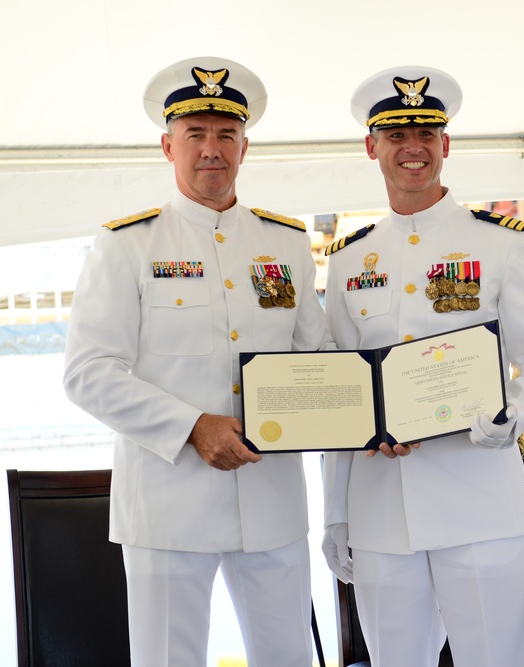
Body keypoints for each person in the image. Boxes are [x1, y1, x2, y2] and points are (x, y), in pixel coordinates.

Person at [63, 56, 330, 667]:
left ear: (244, 146)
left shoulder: (284, 243)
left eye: (226, 135)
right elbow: (88, 372)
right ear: (168, 146)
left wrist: (376, 415)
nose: (213, 150)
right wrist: (193, 426)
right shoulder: (127, 243)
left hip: (272, 505)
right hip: (167, 509)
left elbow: (316, 358)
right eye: (196, 135)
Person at [319, 66, 524, 667]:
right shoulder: (349, 261)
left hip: (479, 502)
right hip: (381, 514)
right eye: (397, 133)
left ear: (446, 144)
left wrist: (513, 415)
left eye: (427, 132)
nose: (414, 147)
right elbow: (339, 392)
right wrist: (335, 517)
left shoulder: (502, 245)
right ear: (372, 146)